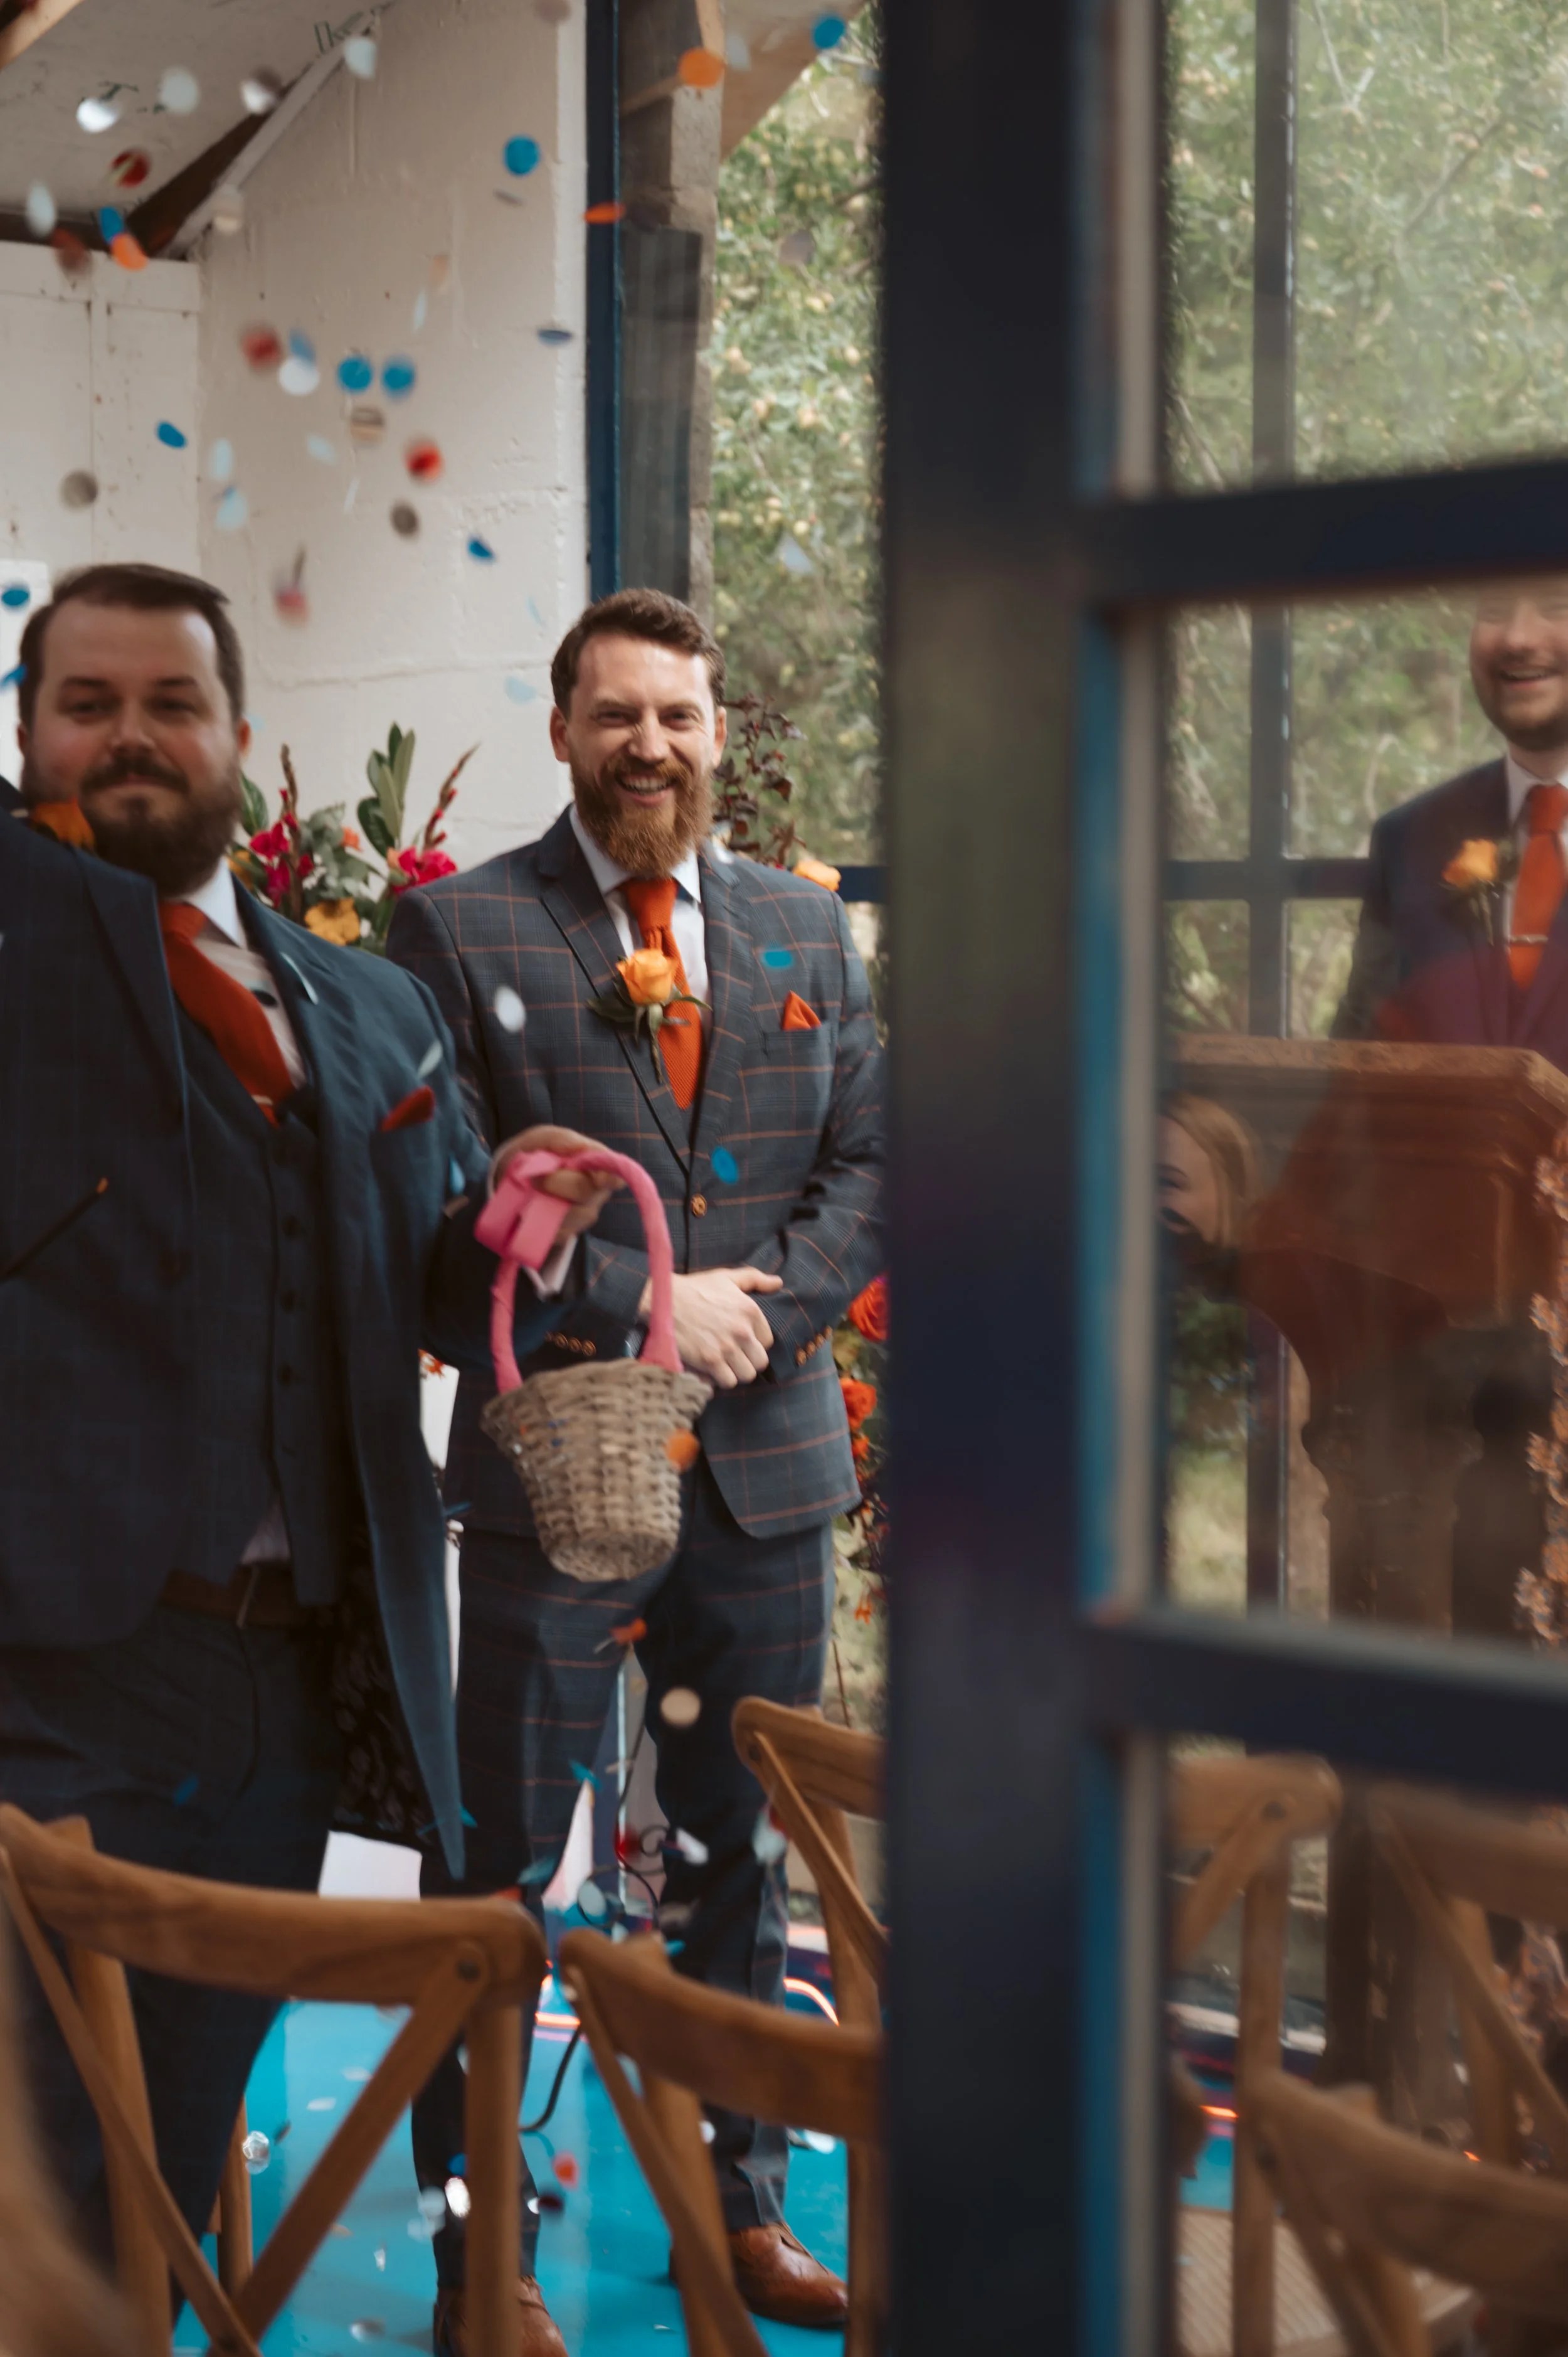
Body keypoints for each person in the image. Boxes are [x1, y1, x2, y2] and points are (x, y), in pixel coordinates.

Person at [0, 563, 617, 2328]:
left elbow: (416, 1293)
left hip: (289, 1692)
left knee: (169, 2152)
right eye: (85, 702)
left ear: (239, 740)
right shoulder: (20, 948)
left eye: (170, 703)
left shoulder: (362, 1007)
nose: (128, 735)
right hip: (57, 1678)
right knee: (43, 2181)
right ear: (28, 739)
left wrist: (522, 1223)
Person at [388, 586, 884, 2348]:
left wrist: (754, 1317)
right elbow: (435, 1227)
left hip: (763, 1482)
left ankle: (733, 2219)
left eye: (676, 715)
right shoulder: (452, 930)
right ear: (560, 729)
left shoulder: (805, 934)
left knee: (739, 1862)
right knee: (500, 1875)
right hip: (553, 1481)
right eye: (615, 715)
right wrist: (645, 1300)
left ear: (718, 734)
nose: (648, 746)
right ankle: (480, 2262)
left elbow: (868, 1168)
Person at [1333, 579, 1568, 1639]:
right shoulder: (1412, 839)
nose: (1517, 636)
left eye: (1556, 600)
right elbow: (1354, 1076)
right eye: (1490, 603)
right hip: (1437, 1409)